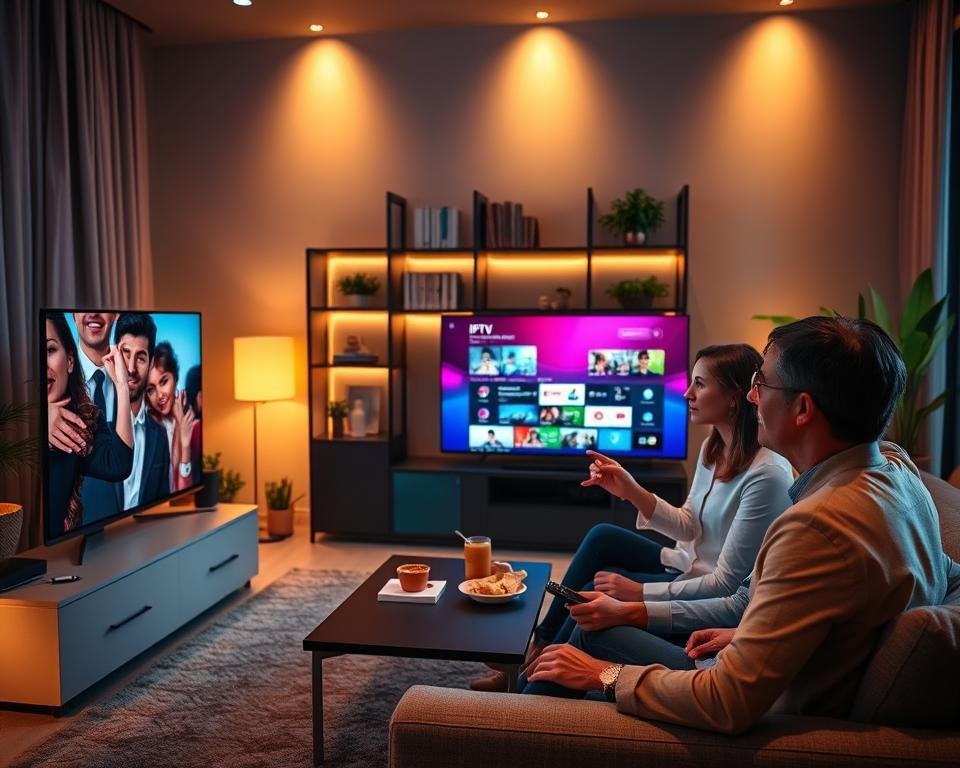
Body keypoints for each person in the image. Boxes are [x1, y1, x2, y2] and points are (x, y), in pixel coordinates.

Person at [525, 316, 959, 731]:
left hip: (775, 713)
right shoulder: (898, 470)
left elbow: (726, 701)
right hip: (768, 662)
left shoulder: (816, 526)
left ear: (803, 408)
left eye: (762, 383)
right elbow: (943, 578)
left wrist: (605, 675)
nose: (754, 397)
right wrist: (751, 633)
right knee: (595, 607)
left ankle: (505, 726)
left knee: (584, 640)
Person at [471, 344, 794, 692]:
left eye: (699, 384)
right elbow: (688, 525)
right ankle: (538, 650)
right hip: (689, 566)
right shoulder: (713, 446)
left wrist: (639, 592)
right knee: (603, 537)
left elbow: (726, 587)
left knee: (594, 594)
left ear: (734, 396)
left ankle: (529, 682)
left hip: (704, 594)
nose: (687, 393)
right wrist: (630, 490)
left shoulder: (766, 476)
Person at [45, 312, 133, 532]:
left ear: (70, 361)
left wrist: (122, 386)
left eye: (50, 350)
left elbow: (118, 464)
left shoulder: (83, 420)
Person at [114, 312, 171, 511]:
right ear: (114, 356)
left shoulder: (160, 435)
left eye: (140, 358)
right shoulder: (92, 425)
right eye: (126, 353)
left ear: (151, 363)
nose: (130, 368)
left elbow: (162, 506)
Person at [49, 312, 118, 454]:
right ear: (74, 315)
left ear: (115, 315)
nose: (93, 313)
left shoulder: (132, 377)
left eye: (103, 304)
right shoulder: (55, 384)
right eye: (82, 304)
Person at [146, 342, 198, 491]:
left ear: (175, 378)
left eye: (164, 382)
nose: (160, 395)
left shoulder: (190, 421)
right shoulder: (147, 426)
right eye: (151, 390)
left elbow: (185, 491)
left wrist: (185, 444)